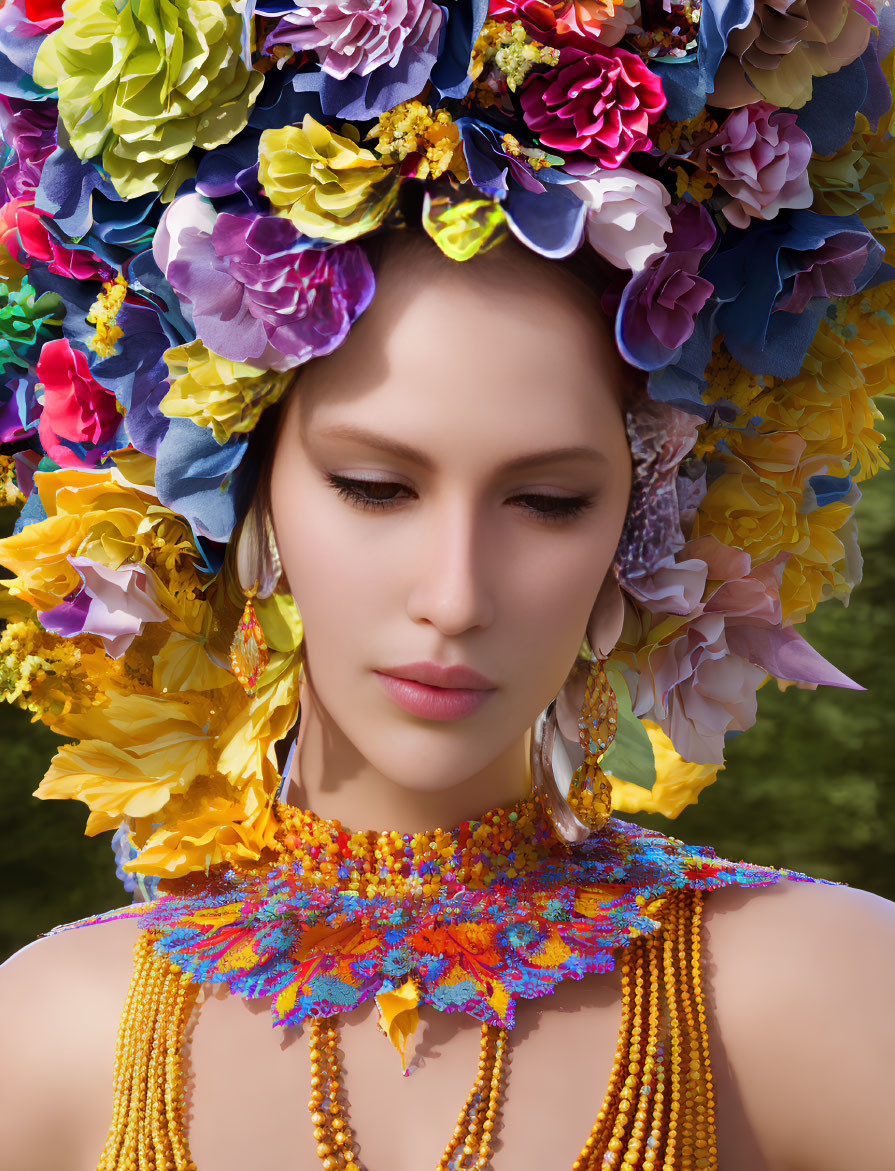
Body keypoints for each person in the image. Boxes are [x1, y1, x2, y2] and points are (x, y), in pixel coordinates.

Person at [0, 2, 894, 1170]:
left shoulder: (819, 996)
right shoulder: (53, 1039)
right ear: (247, 486)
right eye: (376, 485)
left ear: (644, 513)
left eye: (548, 501)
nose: (456, 593)